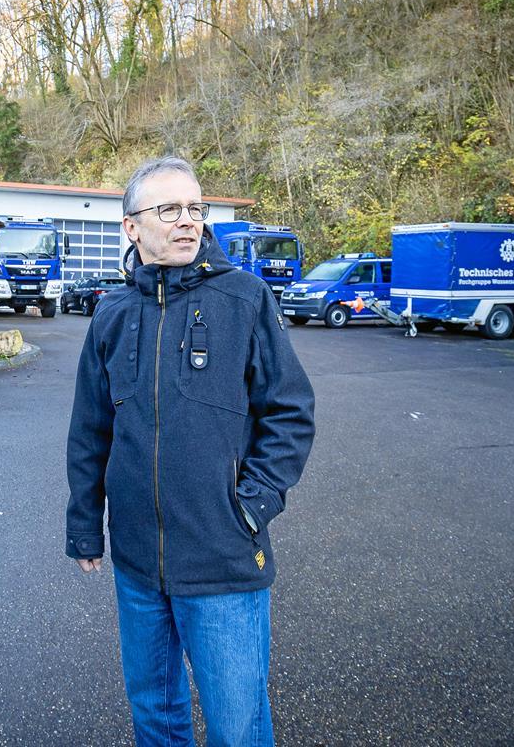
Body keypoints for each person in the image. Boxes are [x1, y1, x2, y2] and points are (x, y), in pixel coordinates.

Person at [65, 156, 315, 746]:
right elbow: (90, 428)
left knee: (238, 723)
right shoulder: (112, 312)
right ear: (131, 226)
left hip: (222, 554)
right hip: (136, 559)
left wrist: (252, 505)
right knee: (155, 712)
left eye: (196, 209)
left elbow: (290, 412)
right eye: (169, 210)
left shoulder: (244, 298)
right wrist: (84, 523)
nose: (188, 222)